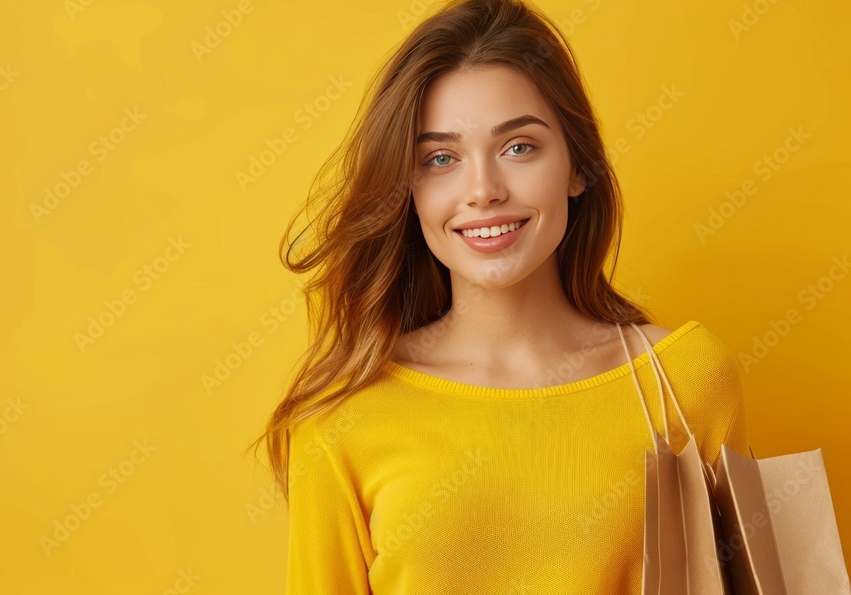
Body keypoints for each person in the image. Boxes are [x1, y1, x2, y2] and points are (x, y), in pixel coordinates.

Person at [245, 0, 750, 591]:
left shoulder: (687, 383)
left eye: (518, 147)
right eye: (440, 158)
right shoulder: (342, 418)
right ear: (406, 191)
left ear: (577, 168)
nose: (482, 190)